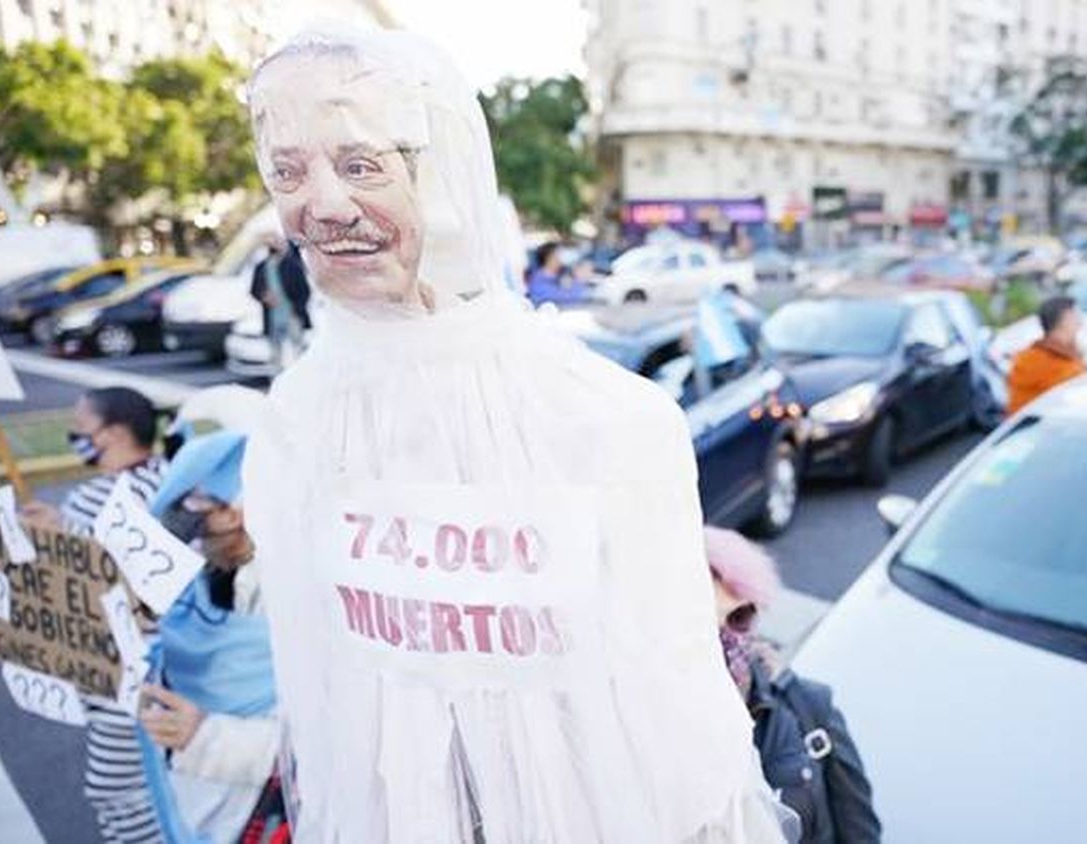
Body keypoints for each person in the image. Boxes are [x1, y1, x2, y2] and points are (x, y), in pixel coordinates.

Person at [241, 26, 786, 842]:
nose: (320, 205)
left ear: (445, 172)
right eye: (288, 170)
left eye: (361, 164)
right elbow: (313, 679)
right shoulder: (293, 422)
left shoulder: (606, 419)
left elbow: (682, 730)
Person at [17, 386, 167, 844]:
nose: (75, 438)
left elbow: (76, 584)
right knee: (156, 791)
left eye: (81, 430)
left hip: (119, 677)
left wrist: (46, 543)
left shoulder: (98, 498)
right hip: (164, 669)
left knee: (115, 793)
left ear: (114, 433)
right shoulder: (167, 478)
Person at [137, 431, 285, 844]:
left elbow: (324, 741)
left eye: (216, 502)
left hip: (267, 814)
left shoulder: (300, 600)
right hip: (191, 805)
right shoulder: (188, 580)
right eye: (194, 501)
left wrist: (207, 737)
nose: (204, 519)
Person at [705, 527, 881, 844]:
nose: (724, 637)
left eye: (739, 616)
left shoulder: (806, 708)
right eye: (704, 621)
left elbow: (860, 831)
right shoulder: (658, 731)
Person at [1005, 295, 1087, 416]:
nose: (1081, 320)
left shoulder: (1063, 354)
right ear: (1065, 320)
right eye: (1076, 315)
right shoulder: (1035, 361)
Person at [249, 238, 312, 369]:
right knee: (275, 353)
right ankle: (277, 382)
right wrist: (264, 297)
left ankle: (303, 378)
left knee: (298, 350)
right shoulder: (261, 267)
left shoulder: (293, 266)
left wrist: (297, 309)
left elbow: (305, 291)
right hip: (271, 316)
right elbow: (254, 290)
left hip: (291, 315)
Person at [525, 242, 590, 307]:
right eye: (559, 254)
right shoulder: (537, 281)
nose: (563, 257)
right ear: (549, 258)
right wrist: (580, 281)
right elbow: (566, 299)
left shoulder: (562, 274)